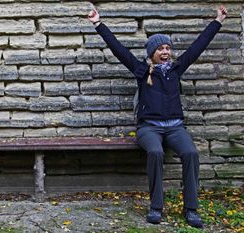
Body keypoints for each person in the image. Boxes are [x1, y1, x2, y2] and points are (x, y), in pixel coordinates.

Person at [88, 5, 227, 228]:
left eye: (167, 48)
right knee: (155, 151)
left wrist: (218, 21)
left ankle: (191, 209)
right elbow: (118, 49)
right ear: (152, 52)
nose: (165, 51)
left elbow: (198, 46)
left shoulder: (176, 69)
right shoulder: (141, 70)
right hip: (149, 128)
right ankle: (156, 207)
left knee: (191, 153)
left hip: (174, 127)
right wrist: (98, 23)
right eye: (160, 48)